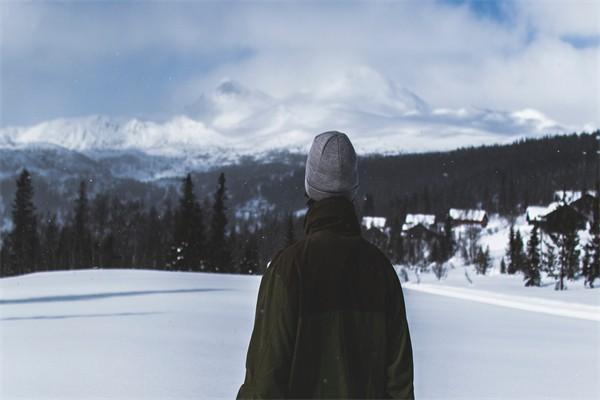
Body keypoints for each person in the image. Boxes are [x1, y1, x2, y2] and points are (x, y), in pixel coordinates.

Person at [237, 131, 414, 399]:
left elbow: (264, 381)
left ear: (310, 185)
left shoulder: (288, 270)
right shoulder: (381, 272)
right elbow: (400, 386)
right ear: (352, 189)